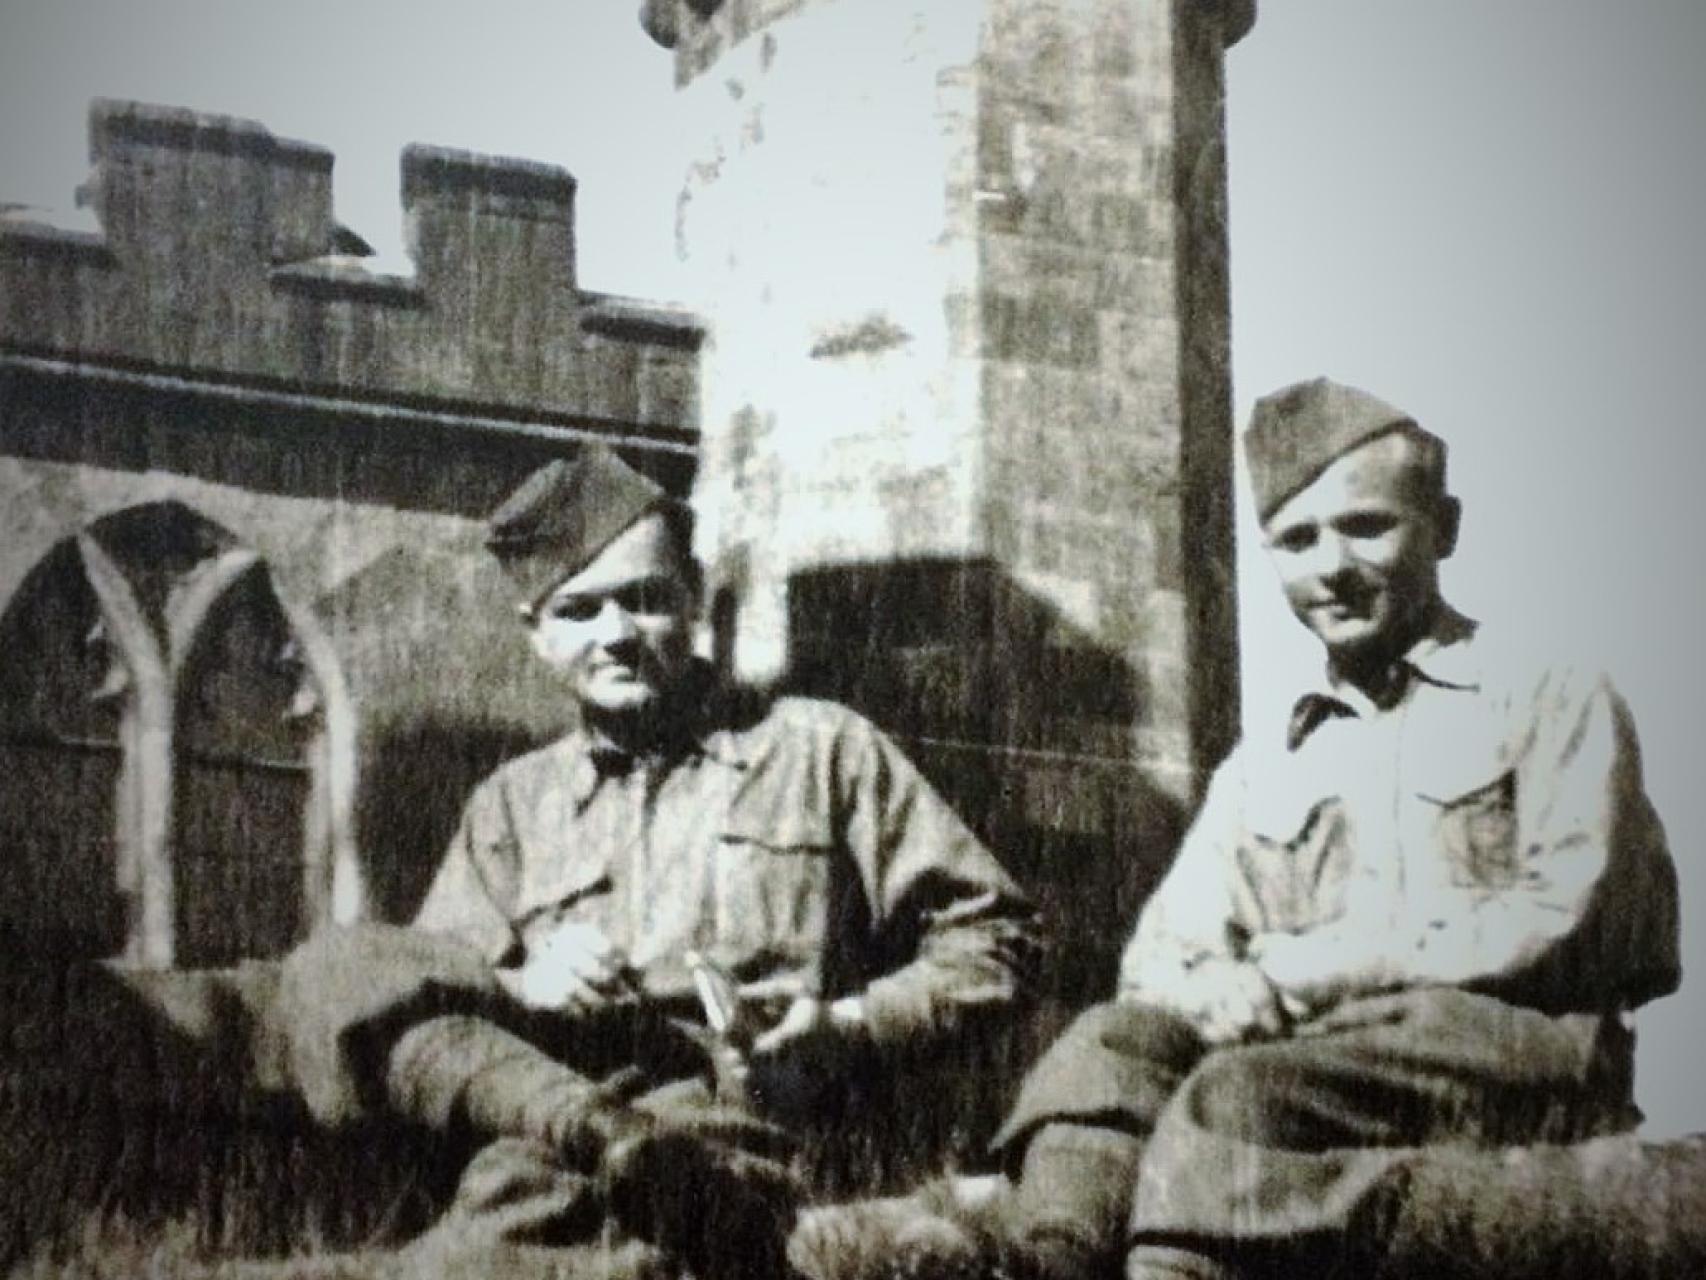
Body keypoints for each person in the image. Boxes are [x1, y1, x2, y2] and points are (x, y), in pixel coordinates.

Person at [793, 377, 1680, 1280]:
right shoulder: (1268, 766)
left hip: (1511, 1049)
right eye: (1296, 541)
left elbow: (1583, 914)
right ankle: (1048, 1257)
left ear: (1444, 528)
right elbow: (1158, 959)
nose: (1330, 565)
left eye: (1367, 526)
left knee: (1236, 1100)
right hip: (1325, 1065)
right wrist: (1211, 984)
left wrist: (1335, 967)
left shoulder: (1547, 694)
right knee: (1109, 1045)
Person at [268, 444, 1039, 1278]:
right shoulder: (512, 808)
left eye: (646, 600)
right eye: (580, 611)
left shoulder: (819, 751)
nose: (618, 636)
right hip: (557, 1132)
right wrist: (523, 980)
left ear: (696, 599)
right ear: (535, 635)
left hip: (746, 1129)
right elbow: (434, 1012)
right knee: (515, 1187)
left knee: (542, 1232)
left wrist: (849, 1025)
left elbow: (1000, 939)